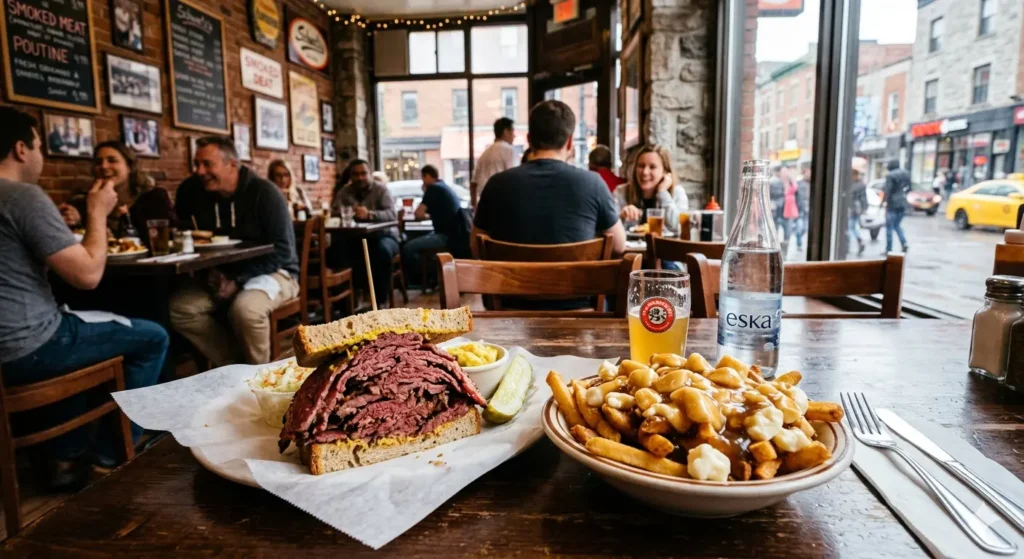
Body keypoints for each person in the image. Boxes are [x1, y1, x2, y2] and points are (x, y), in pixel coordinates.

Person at [0, 107, 168, 487]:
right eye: (40, 146)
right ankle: (111, 455)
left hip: (17, 344)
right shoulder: (21, 196)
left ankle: (65, 456)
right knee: (154, 337)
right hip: (27, 347)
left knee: (79, 330)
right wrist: (96, 214)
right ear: (21, 149)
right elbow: (88, 275)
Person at [474, 100, 626, 310]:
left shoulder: (497, 184)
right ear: (570, 142)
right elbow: (619, 245)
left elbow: (476, 246)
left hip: (510, 307)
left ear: (529, 139)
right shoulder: (593, 183)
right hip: (579, 307)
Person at [170, 137, 299, 366]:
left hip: (277, 272)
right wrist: (208, 273)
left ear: (232, 164)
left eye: (207, 164)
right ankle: (233, 365)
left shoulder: (265, 193)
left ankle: (260, 376)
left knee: (245, 310)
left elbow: (283, 251)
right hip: (223, 276)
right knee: (180, 309)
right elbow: (188, 235)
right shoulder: (193, 192)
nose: (199, 171)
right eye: (196, 164)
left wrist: (238, 280)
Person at [59, 141, 175, 241]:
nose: (104, 166)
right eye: (98, 162)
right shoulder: (84, 203)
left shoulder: (154, 197)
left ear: (129, 167)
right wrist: (72, 222)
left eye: (112, 160)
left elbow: (167, 237)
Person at [330, 159, 400, 308]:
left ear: (369, 174)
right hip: (357, 237)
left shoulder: (381, 190)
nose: (360, 177)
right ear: (350, 176)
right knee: (337, 250)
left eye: (363, 173)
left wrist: (370, 214)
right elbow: (335, 212)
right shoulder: (344, 192)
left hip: (385, 235)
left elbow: (392, 215)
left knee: (381, 251)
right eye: (356, 174)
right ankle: (346, 302)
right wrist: (345, 214)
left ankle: (380, 301)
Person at [401, 165, 471, 285]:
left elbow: (418, 214)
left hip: (446, 236)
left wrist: (425, 192)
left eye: (422, 177)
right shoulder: (444, 187)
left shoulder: (434, 188)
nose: (422, 181)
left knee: (408, 248)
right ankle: (431, 277)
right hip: (456, 236)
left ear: (427, 176)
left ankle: (424, 280)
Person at [613, 144, 689, 236]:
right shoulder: (621, 192)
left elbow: (679, 227)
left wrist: (662, 193)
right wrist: (622, 216)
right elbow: (608, 229)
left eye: (652, 167)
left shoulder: (677, 192)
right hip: (630, 249)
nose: (645, 172)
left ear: (665, 171)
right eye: (641, 166)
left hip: (666, 248)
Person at [471, 117, 516, 207]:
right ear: (506, 132)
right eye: (512, 131)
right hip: (503, 203)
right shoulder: (509, 150)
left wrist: (475, 207)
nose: (514, 135)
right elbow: (514, 179)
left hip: (486, 204)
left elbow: (474, 184)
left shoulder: (485, 154)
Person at [882, 158, 911, 254]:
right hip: (902, 203)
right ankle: (904, 243)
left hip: (892, 204)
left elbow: (887, 190)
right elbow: (909, 188)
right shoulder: (906, 173)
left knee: (889, 227)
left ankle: (889, 249)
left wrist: (883, 202)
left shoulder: (890, 176)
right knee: (897, 225)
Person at [848, 161, 868, 256]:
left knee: (850, 227)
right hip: (857, 209)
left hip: (852, 209)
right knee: (853, 227)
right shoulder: (861, 184)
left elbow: (862, 198)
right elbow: (864, 198)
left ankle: (856, 242)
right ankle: (858, 241)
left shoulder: (852, 185)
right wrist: (864, 208)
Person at [781, 172, 800, 256]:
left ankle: (785, 250)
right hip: (782, 211)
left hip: (789, 210)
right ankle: (783, 249)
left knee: (788, 232)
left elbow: (795, 187)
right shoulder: (782, 186)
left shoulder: (792, 187)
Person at [795, 162, 811, 250]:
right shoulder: (799, 183)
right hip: (800, 210)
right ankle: (799, 243)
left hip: (807, 209)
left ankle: (799, 241)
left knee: (804, 228)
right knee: (799, 227)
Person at [769, 164, 785, 234]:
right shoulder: (780, 181)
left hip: (772, 203)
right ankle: (775, 233)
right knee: (777, 220)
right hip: (779, 203)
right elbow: (783, 192)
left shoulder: (770, 181)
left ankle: (773, 233)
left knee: (773, 220)